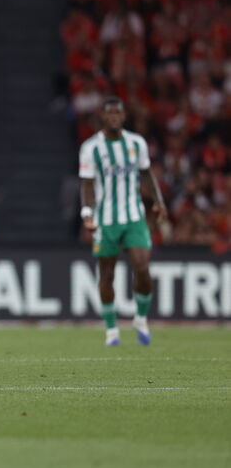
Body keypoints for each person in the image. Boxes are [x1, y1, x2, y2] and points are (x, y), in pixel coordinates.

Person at [79, 97, 167, 346]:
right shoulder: (91, 148)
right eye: (110, 113)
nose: (115, 117)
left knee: (142, 265)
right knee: (106, 274)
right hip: (105, 220)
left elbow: (146, 173)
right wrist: (87, 214)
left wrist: (158, 201)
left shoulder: (136, 143)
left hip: (134, 216)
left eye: (119, 112)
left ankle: (140, 318)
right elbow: (87, 184)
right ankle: (111, 330)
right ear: (103, 117)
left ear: (124, 116)